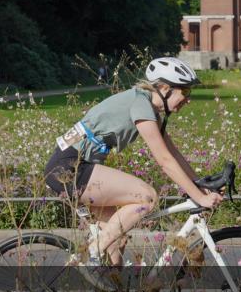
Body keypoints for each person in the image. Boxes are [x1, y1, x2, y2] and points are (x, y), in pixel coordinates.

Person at [43, 57, 223, 267]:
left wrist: (201, 184)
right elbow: (164, 161)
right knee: (146, 198)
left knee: (116, 241)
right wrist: (199, 198)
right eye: (185, 91)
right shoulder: (141, 105)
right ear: (165, 88)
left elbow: (173, 155)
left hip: (72, 165)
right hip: (69, 167)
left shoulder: (147, 107)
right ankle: (91, 253)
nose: (188, 99)